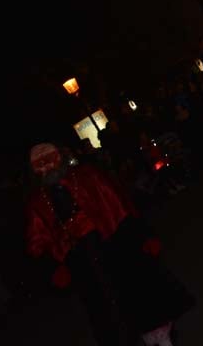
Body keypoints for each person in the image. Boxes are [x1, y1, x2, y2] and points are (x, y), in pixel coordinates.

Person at [25, 144, 192, 346]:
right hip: (82, 262)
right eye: (40, 165)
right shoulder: (38, 203)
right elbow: (38, 240)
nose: (47, 168)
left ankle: (160, 339)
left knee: (138, 295)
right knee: (106, 313)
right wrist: (53, 267)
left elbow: (117, 203)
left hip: (112, 243)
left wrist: (143, 235)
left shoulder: (87, 176)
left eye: (50, 161)